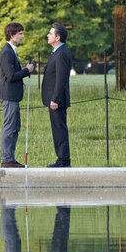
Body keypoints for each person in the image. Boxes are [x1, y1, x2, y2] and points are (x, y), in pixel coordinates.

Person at [0, 22, 34, 168]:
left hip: (13, 94)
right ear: (11, 35)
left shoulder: (12, 50)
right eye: (20, 33)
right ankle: (6, 160)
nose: (22, 36)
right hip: (8, 96)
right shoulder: (6, 52)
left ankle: (10, 158)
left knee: (14, 127)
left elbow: (10, 76)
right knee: (9, 126)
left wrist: (21, 84)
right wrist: (27, 71)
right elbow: (11, 75)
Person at [41, 23, 71, 168]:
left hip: (57, 100)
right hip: (54, 99)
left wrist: (55, 99)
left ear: (57, 38)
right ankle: (62, 159)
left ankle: (63, 161)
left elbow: (62, 78)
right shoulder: (57, 51)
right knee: (57, 129)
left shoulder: (62, 53)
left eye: (50, 33)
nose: (48, 35)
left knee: (60, 129)